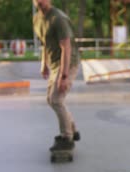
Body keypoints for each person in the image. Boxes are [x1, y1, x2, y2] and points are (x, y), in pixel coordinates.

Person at [33, 0, 80, 151]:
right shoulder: (37, 18)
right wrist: (43, 63)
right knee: (51, 99)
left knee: (56, 100)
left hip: (67, 63)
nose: (40, 1)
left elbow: (66, 47)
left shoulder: (58, 18)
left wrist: (64, 76)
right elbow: (45, 42)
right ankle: (73, 129)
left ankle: (67, 138)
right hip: (54, 64)